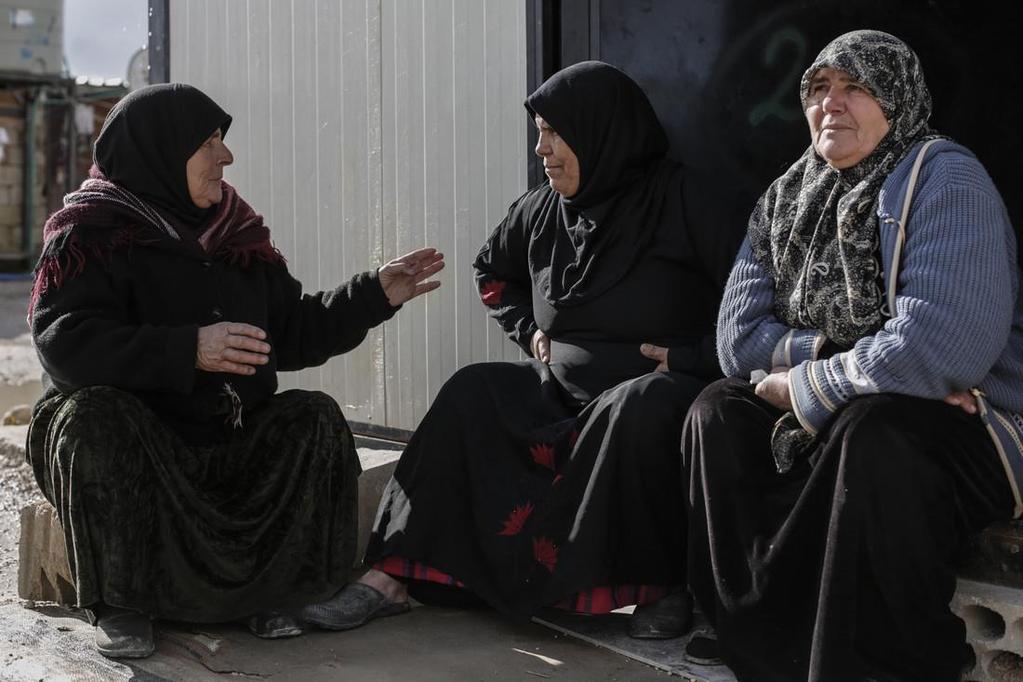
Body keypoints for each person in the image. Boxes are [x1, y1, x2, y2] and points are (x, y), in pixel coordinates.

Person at [302, 61, 745, 637]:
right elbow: (493, 273)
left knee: (641, 407)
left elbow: (759, 302)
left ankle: (656, 584)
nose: (543, 149)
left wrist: (691, 359)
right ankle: (390, 574)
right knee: (473, 390)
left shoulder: (689, 202)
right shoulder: (541, 211)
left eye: (556, 134)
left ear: (602, 132)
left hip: (650, 391)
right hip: (556, 391)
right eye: (539, 133)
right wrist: (527, 330)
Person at [26, 83, 444, 659]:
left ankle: (273, 590)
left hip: (221, 434)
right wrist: (187, 350)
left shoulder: (235, 236)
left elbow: (289, 333)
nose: (227, 157)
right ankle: (122, 602)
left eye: (222, 141)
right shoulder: (91, 234)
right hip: (138, 445)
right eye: (209, 142)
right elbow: (63, 344)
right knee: (93, 418)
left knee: (312, 419)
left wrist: (373, 295)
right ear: (162, 151)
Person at [682, 30, 1023, 681]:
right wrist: (836, 359)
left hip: (972, 420)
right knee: (716, 412)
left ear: (896, 97)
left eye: (855, 87)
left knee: (875, 430)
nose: (830, 104)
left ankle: (882, 662)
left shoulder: (943, 176)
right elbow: (735, 339)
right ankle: (762, 641)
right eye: (818, 88)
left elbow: (941, 346)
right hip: (866, 397)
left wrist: (808, 385)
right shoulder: (785, 199)